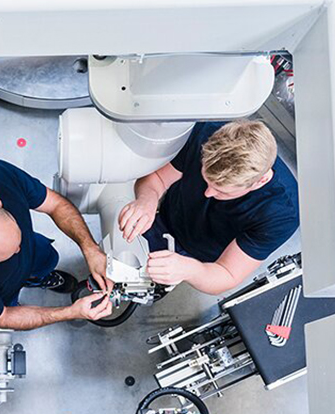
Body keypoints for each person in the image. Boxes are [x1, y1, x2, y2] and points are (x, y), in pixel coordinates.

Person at [117, 120, 298, 295]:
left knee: (145, 285)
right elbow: (158, 177)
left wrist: (189, 269)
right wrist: (147, 199)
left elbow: (227, 273)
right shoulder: (206, 135)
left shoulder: (283, 213)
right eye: (205, 180)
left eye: (222, 191)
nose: (207, 193)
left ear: (261, 181)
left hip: (198, 256)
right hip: (166, 214)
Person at [0, 159, 114, 330]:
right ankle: (27, 281)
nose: (18, 251)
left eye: (16, 242)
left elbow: (55, 205)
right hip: (4, 288)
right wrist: (70, 312)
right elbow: (4, 317)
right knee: (12, 304)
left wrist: (90, 249)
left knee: (48, 258)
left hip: (34, 250)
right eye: (2, 256)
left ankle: (39, 278)